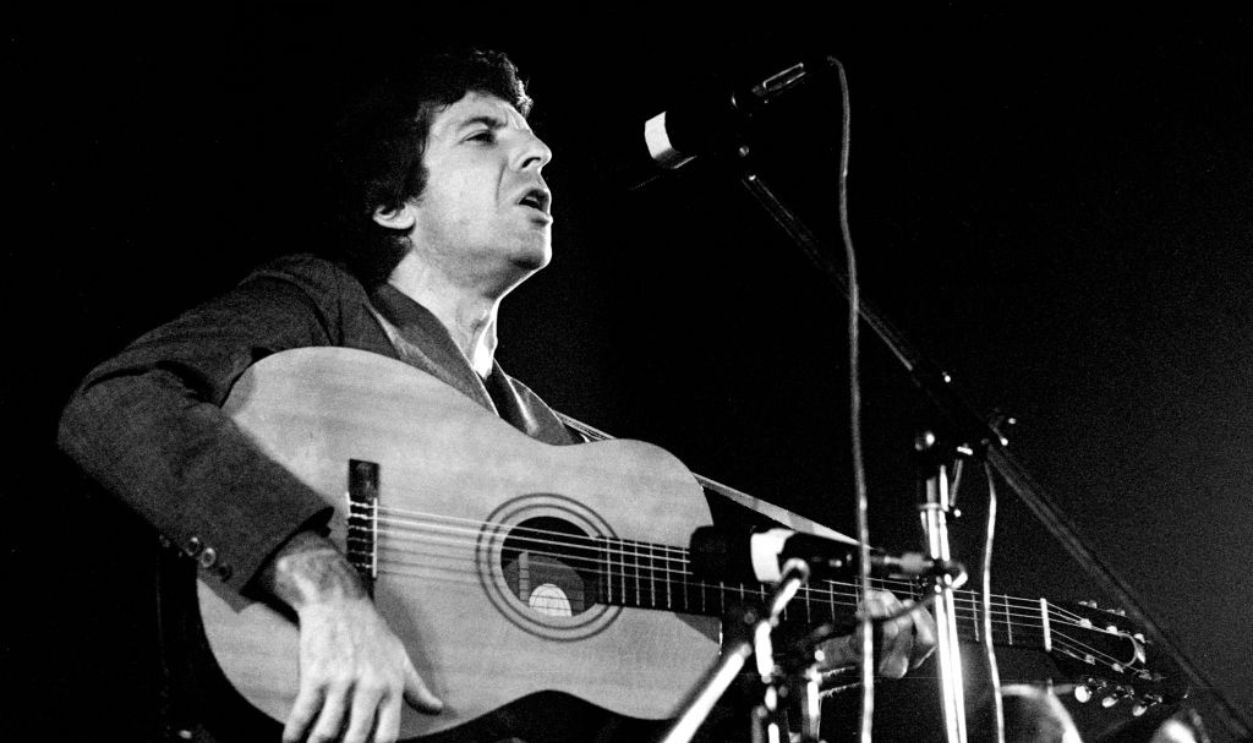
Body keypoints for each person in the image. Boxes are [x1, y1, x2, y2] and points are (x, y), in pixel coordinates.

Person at [57, 47, 935, 743]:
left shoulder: (547, 440)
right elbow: (122, 401)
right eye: (483, 135)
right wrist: (325, 585)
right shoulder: (323, 303)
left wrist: (833, 602)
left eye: (534, 142)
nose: (536, 152)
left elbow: (691, 596)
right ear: (391, 205)